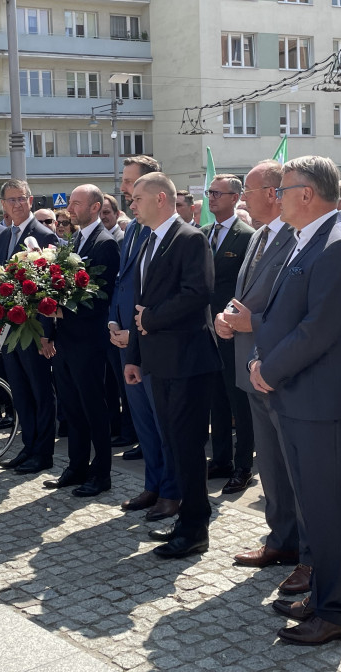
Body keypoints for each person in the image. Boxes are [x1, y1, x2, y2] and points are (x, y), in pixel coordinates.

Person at [249, 156, 341, 646]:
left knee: (327, 510)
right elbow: (278, 316)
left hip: (321, 401)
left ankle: (336, 609)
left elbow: (316, 330)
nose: (276, 195)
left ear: (307, 193)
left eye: (283, 186)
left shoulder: (338, 247)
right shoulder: (306, 239)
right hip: (298, 397)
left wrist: (267, 369)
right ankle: (322, 594)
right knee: (312, 510)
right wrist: (261, 359)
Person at [124, 172, 222, 558]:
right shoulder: (148, 240)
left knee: (187, 447)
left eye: (137, 198)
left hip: (187, 361)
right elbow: (138, 305)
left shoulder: (189, 238)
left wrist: (152, 320)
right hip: (158, 361)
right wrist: (134, 356)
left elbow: (198, 294)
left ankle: (196, 527)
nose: (132, 205)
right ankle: (185, 520)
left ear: (161, 199)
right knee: (173, 445)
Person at [219, 161, 299, 571]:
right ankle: (281, 537)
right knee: (268, 460)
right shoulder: (259, 235)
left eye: (248, 190)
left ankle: (302, 546)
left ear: (273, 193)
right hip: (248, 360)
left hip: (278, 364)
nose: (242, 198)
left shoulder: (297, 238)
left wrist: (252, 324)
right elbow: (244, 293)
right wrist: (224, 316)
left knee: (291, 463)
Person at [110, 156, 181, 520]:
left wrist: (135, 329)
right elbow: (124, 282)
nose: (126, 193)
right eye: (126, 185)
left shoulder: (176, 236)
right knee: (144, 422)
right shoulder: (135, 229)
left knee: (163, 421)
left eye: (132, 185)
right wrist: (114, 323)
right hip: (128, 338)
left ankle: (171, 489)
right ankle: (153, 485)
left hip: (150, 338)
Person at [47, 184, 120, 497]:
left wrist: (64, 312)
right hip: (65, 340)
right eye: (71, 203)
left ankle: (101, 472)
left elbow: (101, 297)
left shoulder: (106, 243)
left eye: (77, 203)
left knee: (94, 408)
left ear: (95, 207)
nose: (70, 208)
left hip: (89, 340)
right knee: (72, 407)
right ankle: (76, 466)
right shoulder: (71, 241)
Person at [0, 180, 59, 474]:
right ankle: (28, 446)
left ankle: (43, 453)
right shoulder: (6, 236)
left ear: (30, 201)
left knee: (40, 391)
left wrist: (46, 333)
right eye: (11, 200)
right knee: (20, 391)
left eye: (22, 199)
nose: (17, 204)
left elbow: (52, 289)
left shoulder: (44, 235)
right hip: (8, 327)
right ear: (3, 205)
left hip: (33, 328)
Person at [202, 173, 256, 493]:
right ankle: (220, 458)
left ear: (236, 198)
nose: (211, 198)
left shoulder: (247, 235)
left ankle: (243, 465)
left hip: (232, 330)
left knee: (239, 402)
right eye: (209, 193)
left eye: (218, 193)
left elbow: (246, 287)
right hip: (206, 329)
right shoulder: (204, 232)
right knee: (216, 400)